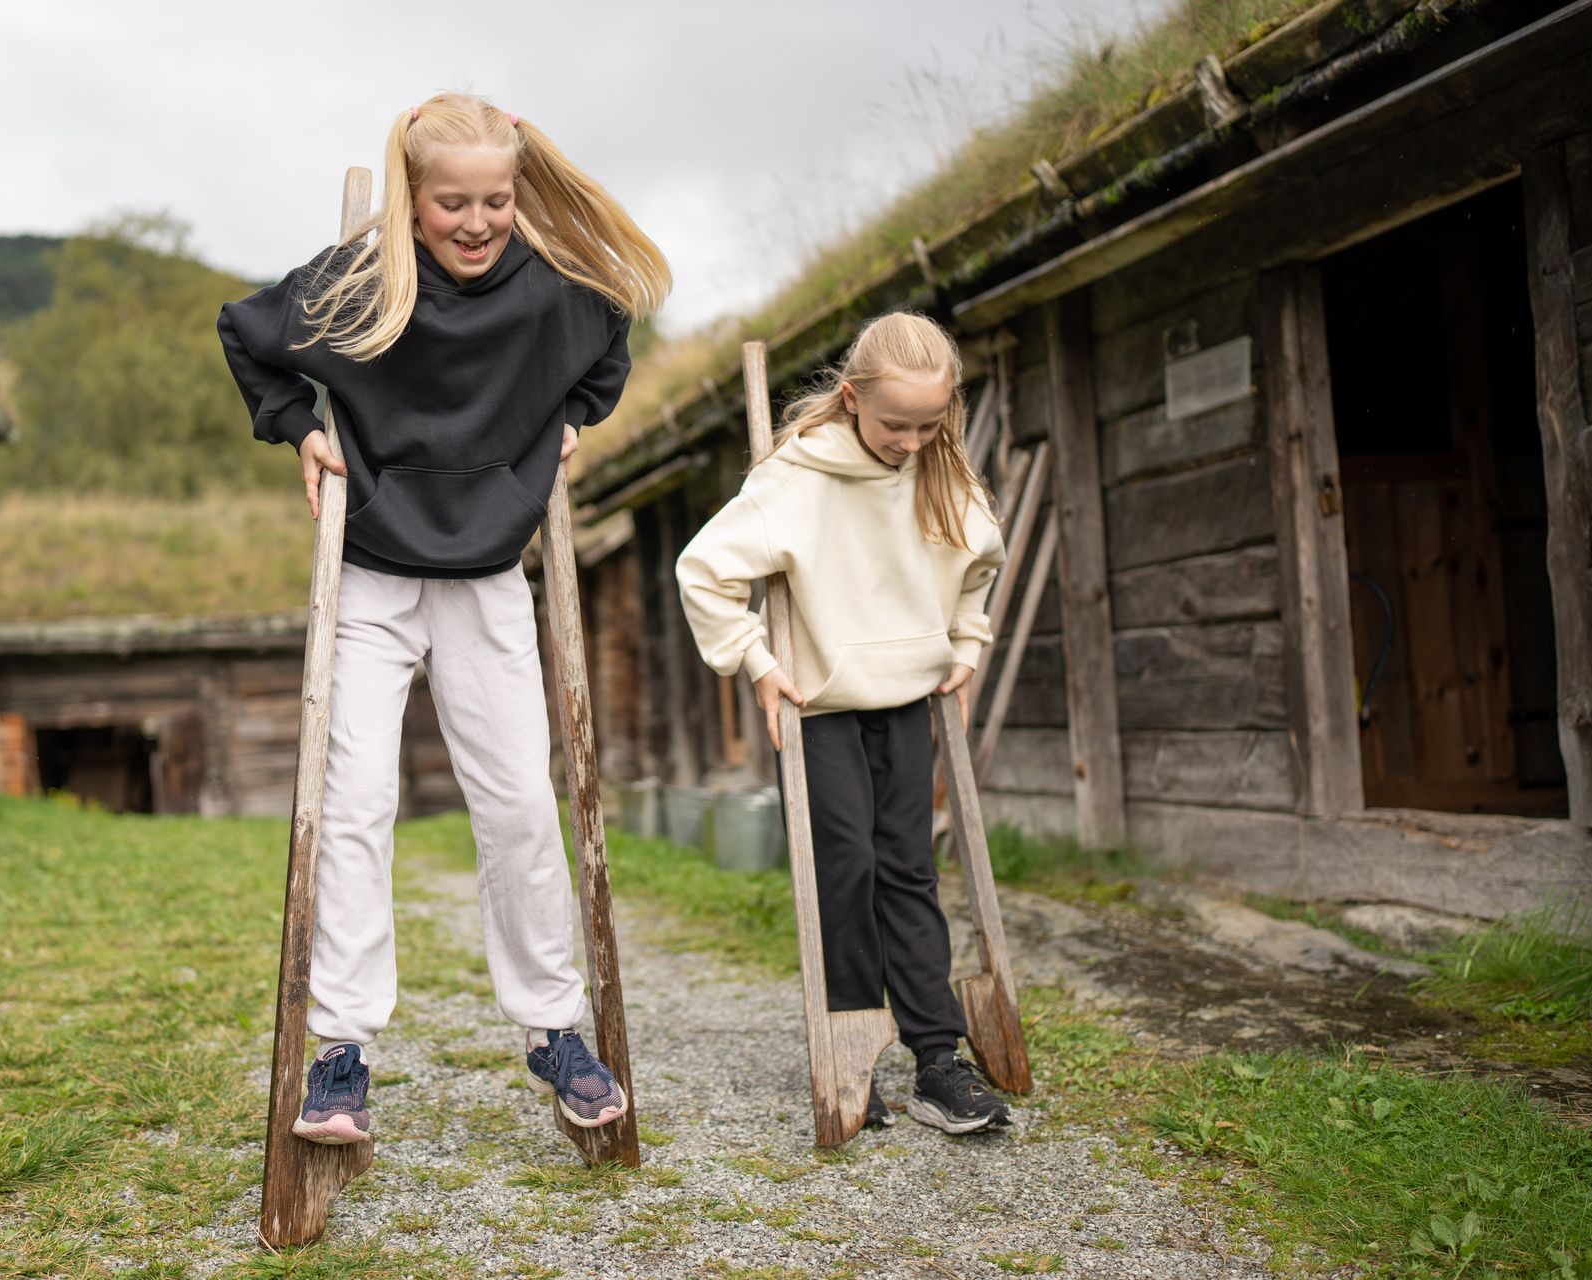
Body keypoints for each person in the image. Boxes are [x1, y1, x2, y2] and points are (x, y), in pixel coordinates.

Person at [218, 92, 669, 1145]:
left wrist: (567, 421)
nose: (476, 222)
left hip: (484, 576)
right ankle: (340, 1051)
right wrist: (299, 431)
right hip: (371, 569)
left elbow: (610, 342)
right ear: (414, 200)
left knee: (517, 802)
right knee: (355, 802)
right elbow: (245, 335)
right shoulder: (357, 287)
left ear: (517, 196)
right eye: (452, 202)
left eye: (496, 201)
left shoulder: (558, 296)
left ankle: (554, 1026)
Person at [676, 312, 1012, 1134]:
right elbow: (705, 571)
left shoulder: (945, 472)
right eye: (896, 423)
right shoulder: (795, 479)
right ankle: (854, 1048)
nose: (910, 440)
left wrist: (967, 645)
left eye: (930, 424)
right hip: (822, 707)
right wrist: (755, 663)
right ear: (853, 397)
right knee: (846, 871)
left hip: (906, 701)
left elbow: (978, 570)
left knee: (909, 870)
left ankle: (938, 1060)